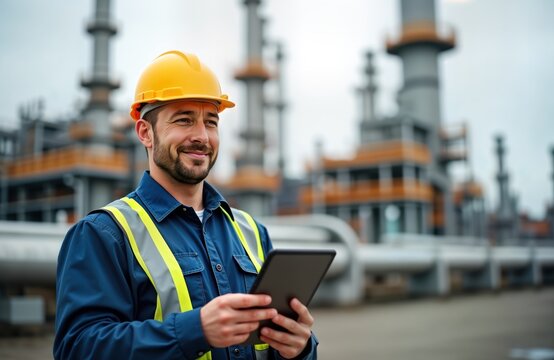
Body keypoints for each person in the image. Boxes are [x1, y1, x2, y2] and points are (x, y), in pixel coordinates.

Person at [54, 50, 318, 360]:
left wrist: (300, 348)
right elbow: (77, 348)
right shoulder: (104, 234)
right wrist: (196, 330)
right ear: (145, 133)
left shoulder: (251, 232)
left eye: (211, 122)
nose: (202, 137)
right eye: (184, 120)